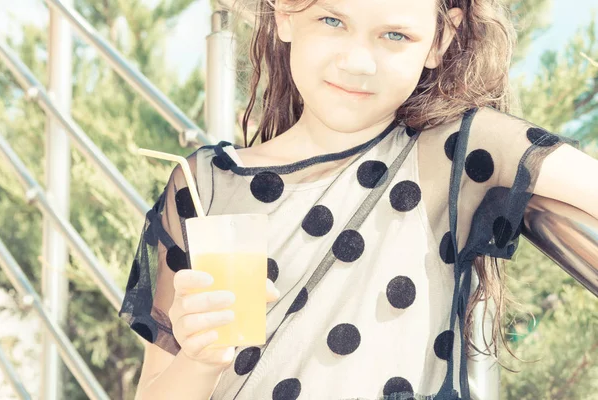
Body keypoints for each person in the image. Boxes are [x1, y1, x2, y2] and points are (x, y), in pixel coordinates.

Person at [118, 0, 598, 399]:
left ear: (440, 39)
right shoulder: (204, 186)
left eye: (395, 36)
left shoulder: (455, 152)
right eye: (332, 20)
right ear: (285, 12)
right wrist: (200, 360)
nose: (358, 61)